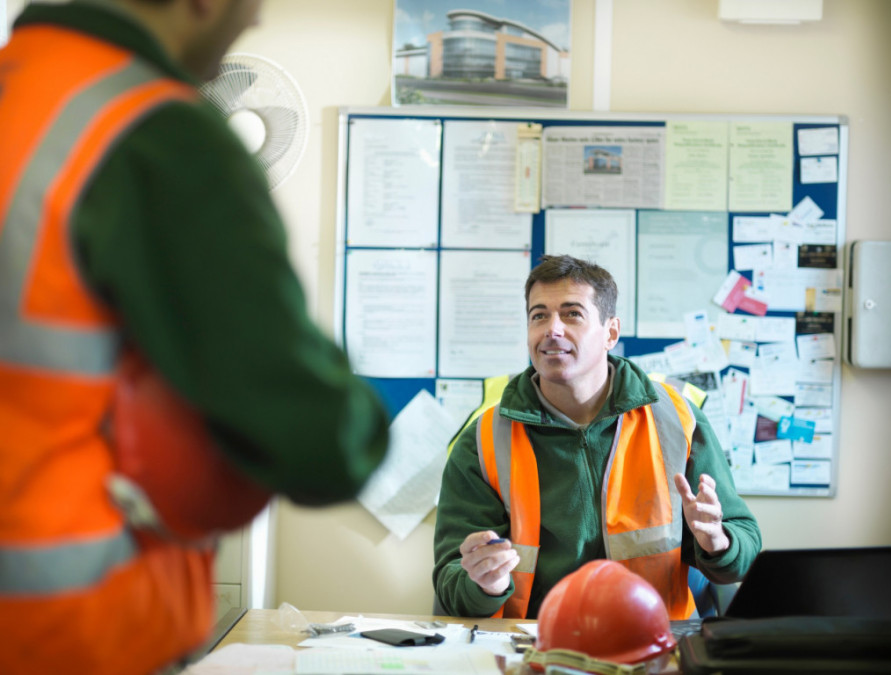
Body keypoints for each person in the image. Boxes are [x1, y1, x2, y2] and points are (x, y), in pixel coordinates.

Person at [0, 1, 389, 674]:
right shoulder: (157, 132)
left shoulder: (25, 89)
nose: (256, 22)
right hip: (67, 634)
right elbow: (320, 440)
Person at [433, 254, 761, 620]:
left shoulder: (677, 418)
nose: (551, 329)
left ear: (611, 332)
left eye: (572, 314)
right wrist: (484, 583)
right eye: (538, 315)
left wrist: (717, 541)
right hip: (531, 645)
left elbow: (742, 552)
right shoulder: (484, 440)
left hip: (656, 643)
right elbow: (451, 585)